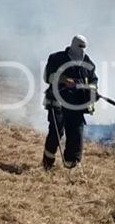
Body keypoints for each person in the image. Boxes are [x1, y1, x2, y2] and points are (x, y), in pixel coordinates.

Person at [42, 34, 98, 170]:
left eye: (84, 47)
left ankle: (71, 165)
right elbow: (47, 76)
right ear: (73, 44)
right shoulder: (56, 58)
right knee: (56, 133)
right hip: (57, 104)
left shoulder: (89, 65)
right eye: (80, 46)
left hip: (77, 107)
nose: (82, 50)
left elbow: (93, 83)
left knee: (76, 136)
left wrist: (92, 93)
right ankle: (47, 164)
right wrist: (63, 80)